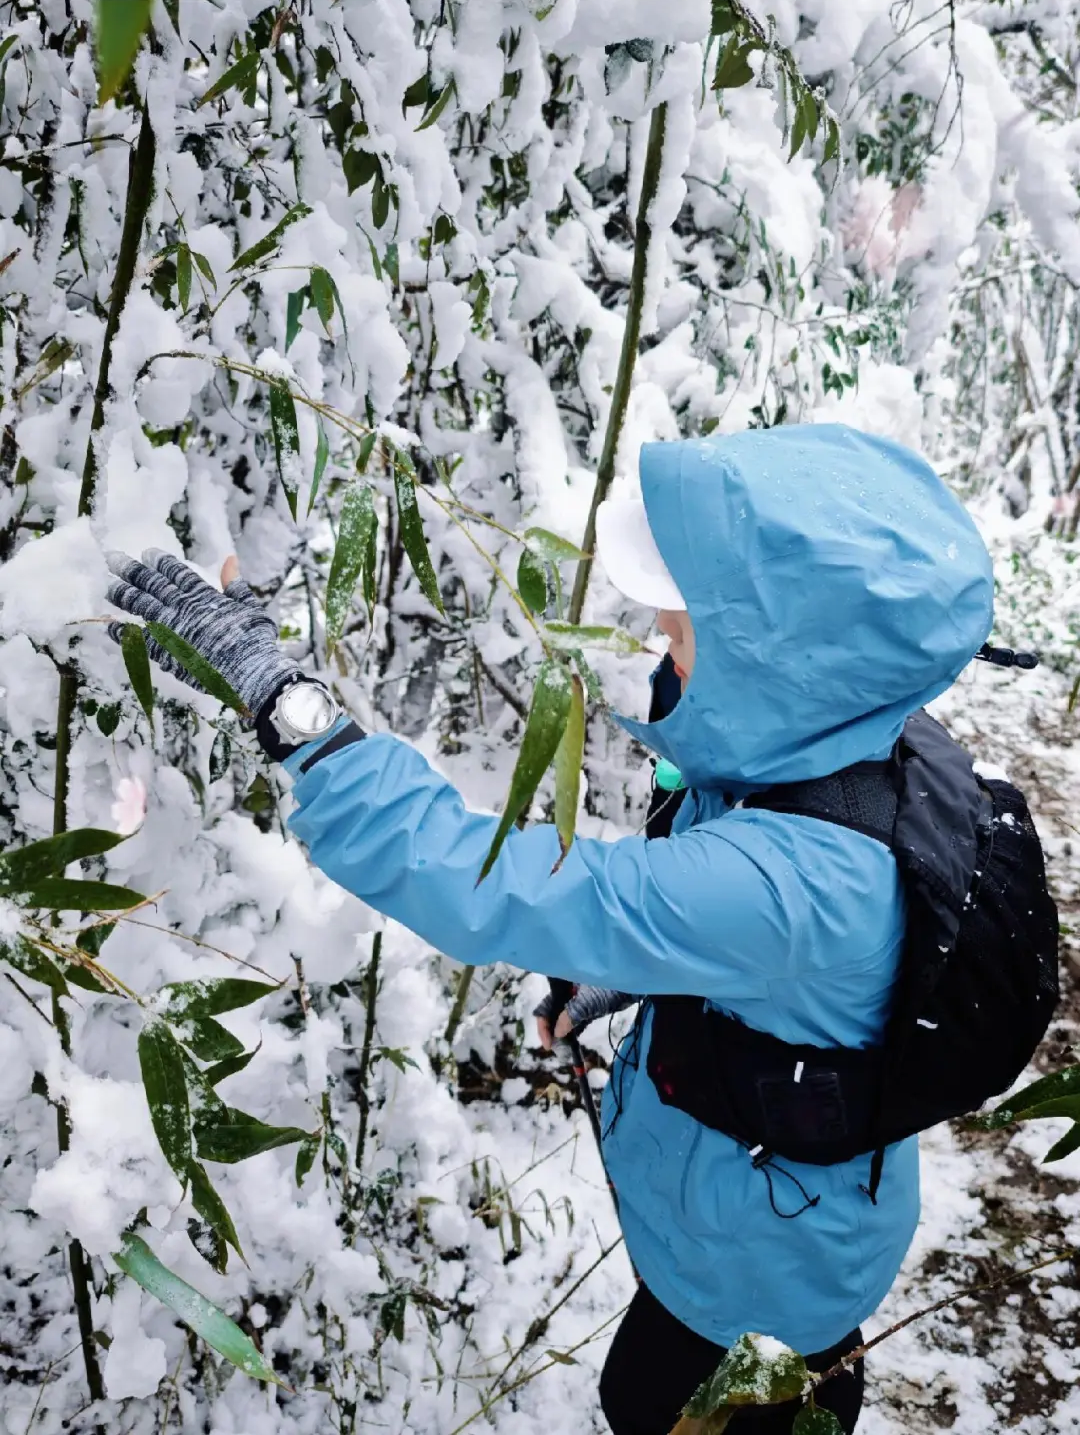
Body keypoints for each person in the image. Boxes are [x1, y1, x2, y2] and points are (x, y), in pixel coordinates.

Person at [104, 423, 994, 1433]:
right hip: (800, 1224)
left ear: (787, 659)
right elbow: (784, 951)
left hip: (764, 1271)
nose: (664, 648)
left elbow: (496, 881)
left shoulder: (791, 881)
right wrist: (643, 971)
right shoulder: (859, 739)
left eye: (685, 636)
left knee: (659, 1404)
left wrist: (288, 702)